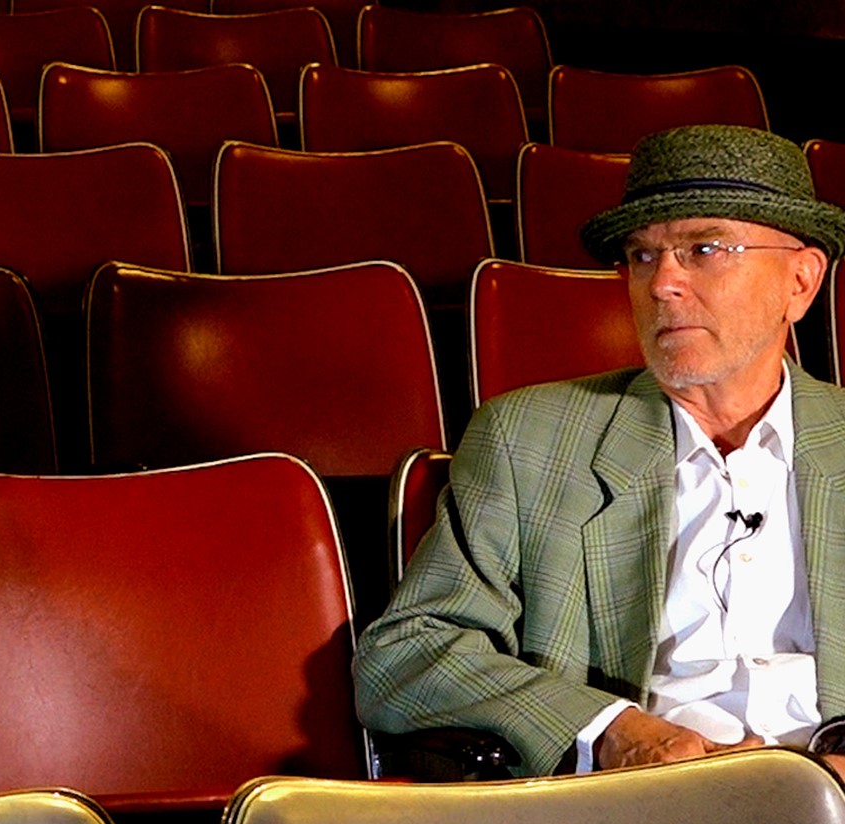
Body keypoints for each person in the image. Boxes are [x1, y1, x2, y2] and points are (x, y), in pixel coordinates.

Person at [355, 124, 845, 780]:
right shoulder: (530, 439)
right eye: (642, 256)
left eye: (703, 248)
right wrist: (611, 729)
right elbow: (403, 656)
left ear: (801, 282)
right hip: (630, 812)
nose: (663, 283)